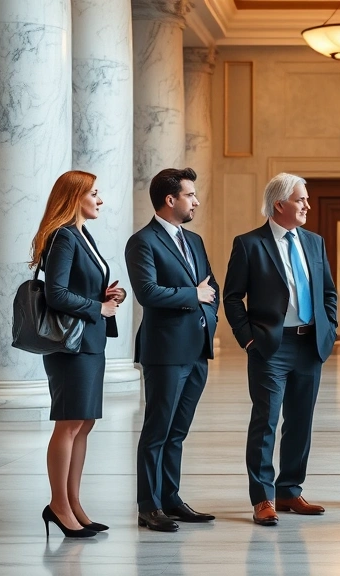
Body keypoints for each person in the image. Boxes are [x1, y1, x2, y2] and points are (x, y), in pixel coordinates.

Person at [223, 173, 338, 526]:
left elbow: (329, 292)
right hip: (270, 346)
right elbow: (231, 298)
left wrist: (329, 329)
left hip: (309, 344)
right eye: (301, 199)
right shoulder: (249, 244)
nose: (307, 205)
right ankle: (263, 498)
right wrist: (249, 338)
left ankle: (289, 490)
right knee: (266, 422)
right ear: (280, 205)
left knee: (300, 422)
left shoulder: (315, 242)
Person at [125, 167, 220, 532]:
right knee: (157, 430)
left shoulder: (194, 240)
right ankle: (149, 505)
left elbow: (212, 288)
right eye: (190, 195)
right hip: (164, 352)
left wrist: (207, 316)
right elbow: (147, 293)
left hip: (197, 349)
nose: (196, 200)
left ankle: (171, 499)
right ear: (170, 199)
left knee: (178, 430)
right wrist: (192, 296)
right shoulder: (142, 241)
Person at [33, 170, 124, 538]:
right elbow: (55, 294)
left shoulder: (82, 235)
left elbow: (80, 287)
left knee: (84, 423)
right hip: (70, 346)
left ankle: (73, 503)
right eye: (95, 194)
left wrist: (107, 297)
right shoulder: (63, 237)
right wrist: (96, 307)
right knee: (69, 423)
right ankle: (58, 506)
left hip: (89, 342)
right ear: (75, 198)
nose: (100, 200)